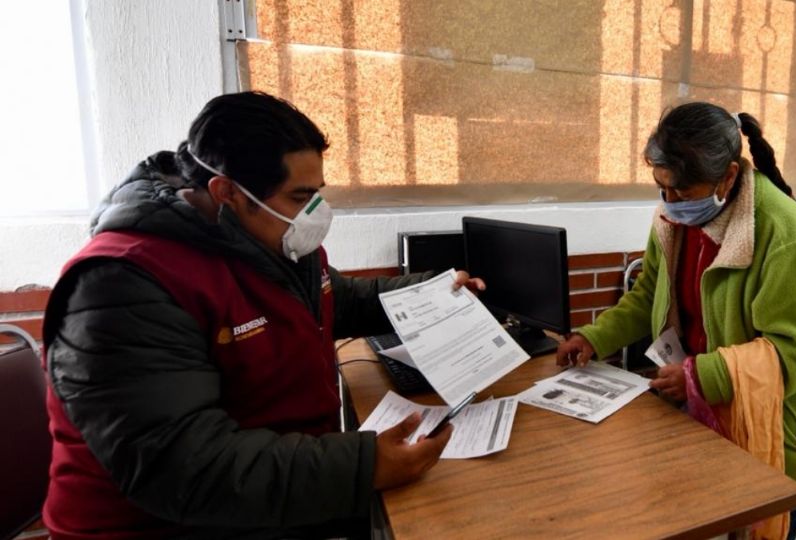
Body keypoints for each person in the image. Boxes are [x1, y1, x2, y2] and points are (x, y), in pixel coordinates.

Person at [42, 91, 484, 539]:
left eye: (317, 195)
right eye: (299, 196)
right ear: (227, 192)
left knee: (465, 502)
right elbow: (185, 468)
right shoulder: (122, 285)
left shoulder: (272, 238)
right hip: (168, 521)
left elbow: (339, 299)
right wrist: (364, 466)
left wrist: (436, 293)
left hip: (272, 486)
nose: (316, 213)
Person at [557, 102, 796, 539]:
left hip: (779, 421)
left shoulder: (783, 231)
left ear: (729, 176)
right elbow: (647, 296)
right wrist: (593, 337)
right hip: (708, 406)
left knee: (764, 524)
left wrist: (701, 376)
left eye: (683, 191)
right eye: (663, 188)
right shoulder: (672, 219)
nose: (670, 202)